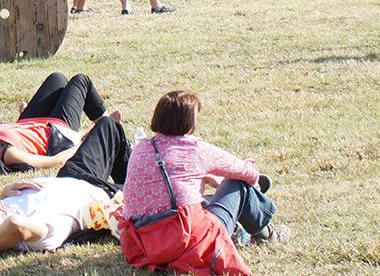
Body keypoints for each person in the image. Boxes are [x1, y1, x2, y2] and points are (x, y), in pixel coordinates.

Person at [120, 91, 289, 275]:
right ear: (189, 121)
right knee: (239, 185)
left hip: (147, 244)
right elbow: (248, 173)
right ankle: (268, 233)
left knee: (204, 201)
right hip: (188, 241)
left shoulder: (140, 149)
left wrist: (201, 179)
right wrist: (251, 180)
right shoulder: (195, 149)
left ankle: (245, 217)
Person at [0, 115, 131, 253]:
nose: (3, 206)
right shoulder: (35, 234)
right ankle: (136, 183)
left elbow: (6, 220)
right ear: (2, 235)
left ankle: (131, 176)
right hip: (102, 196)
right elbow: (14, 224)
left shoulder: (5, 209)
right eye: (1, 212)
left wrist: (2, 196)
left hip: (73, 175)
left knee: (108, 125)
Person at [0, 73, 121, 170]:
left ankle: (91, 130)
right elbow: (56, 161)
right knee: (81, 80)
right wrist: (81, 144)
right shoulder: (9, 155)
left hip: (27, 124)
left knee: (57, 79)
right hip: (56, 133)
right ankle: (106, 128)